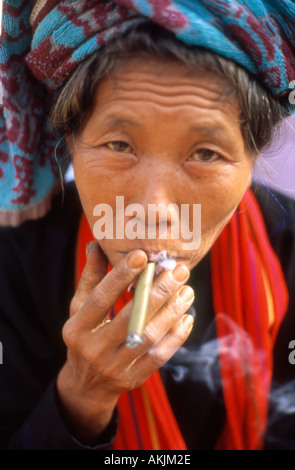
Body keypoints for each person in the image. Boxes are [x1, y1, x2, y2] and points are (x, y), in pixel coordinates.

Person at [0, 0, 295, 450]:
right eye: (119, 144)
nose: (153, 208)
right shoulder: (15, 263)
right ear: (70, 141)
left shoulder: (289, 250)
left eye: (205, 153)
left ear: (253, 154)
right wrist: (82, 396)